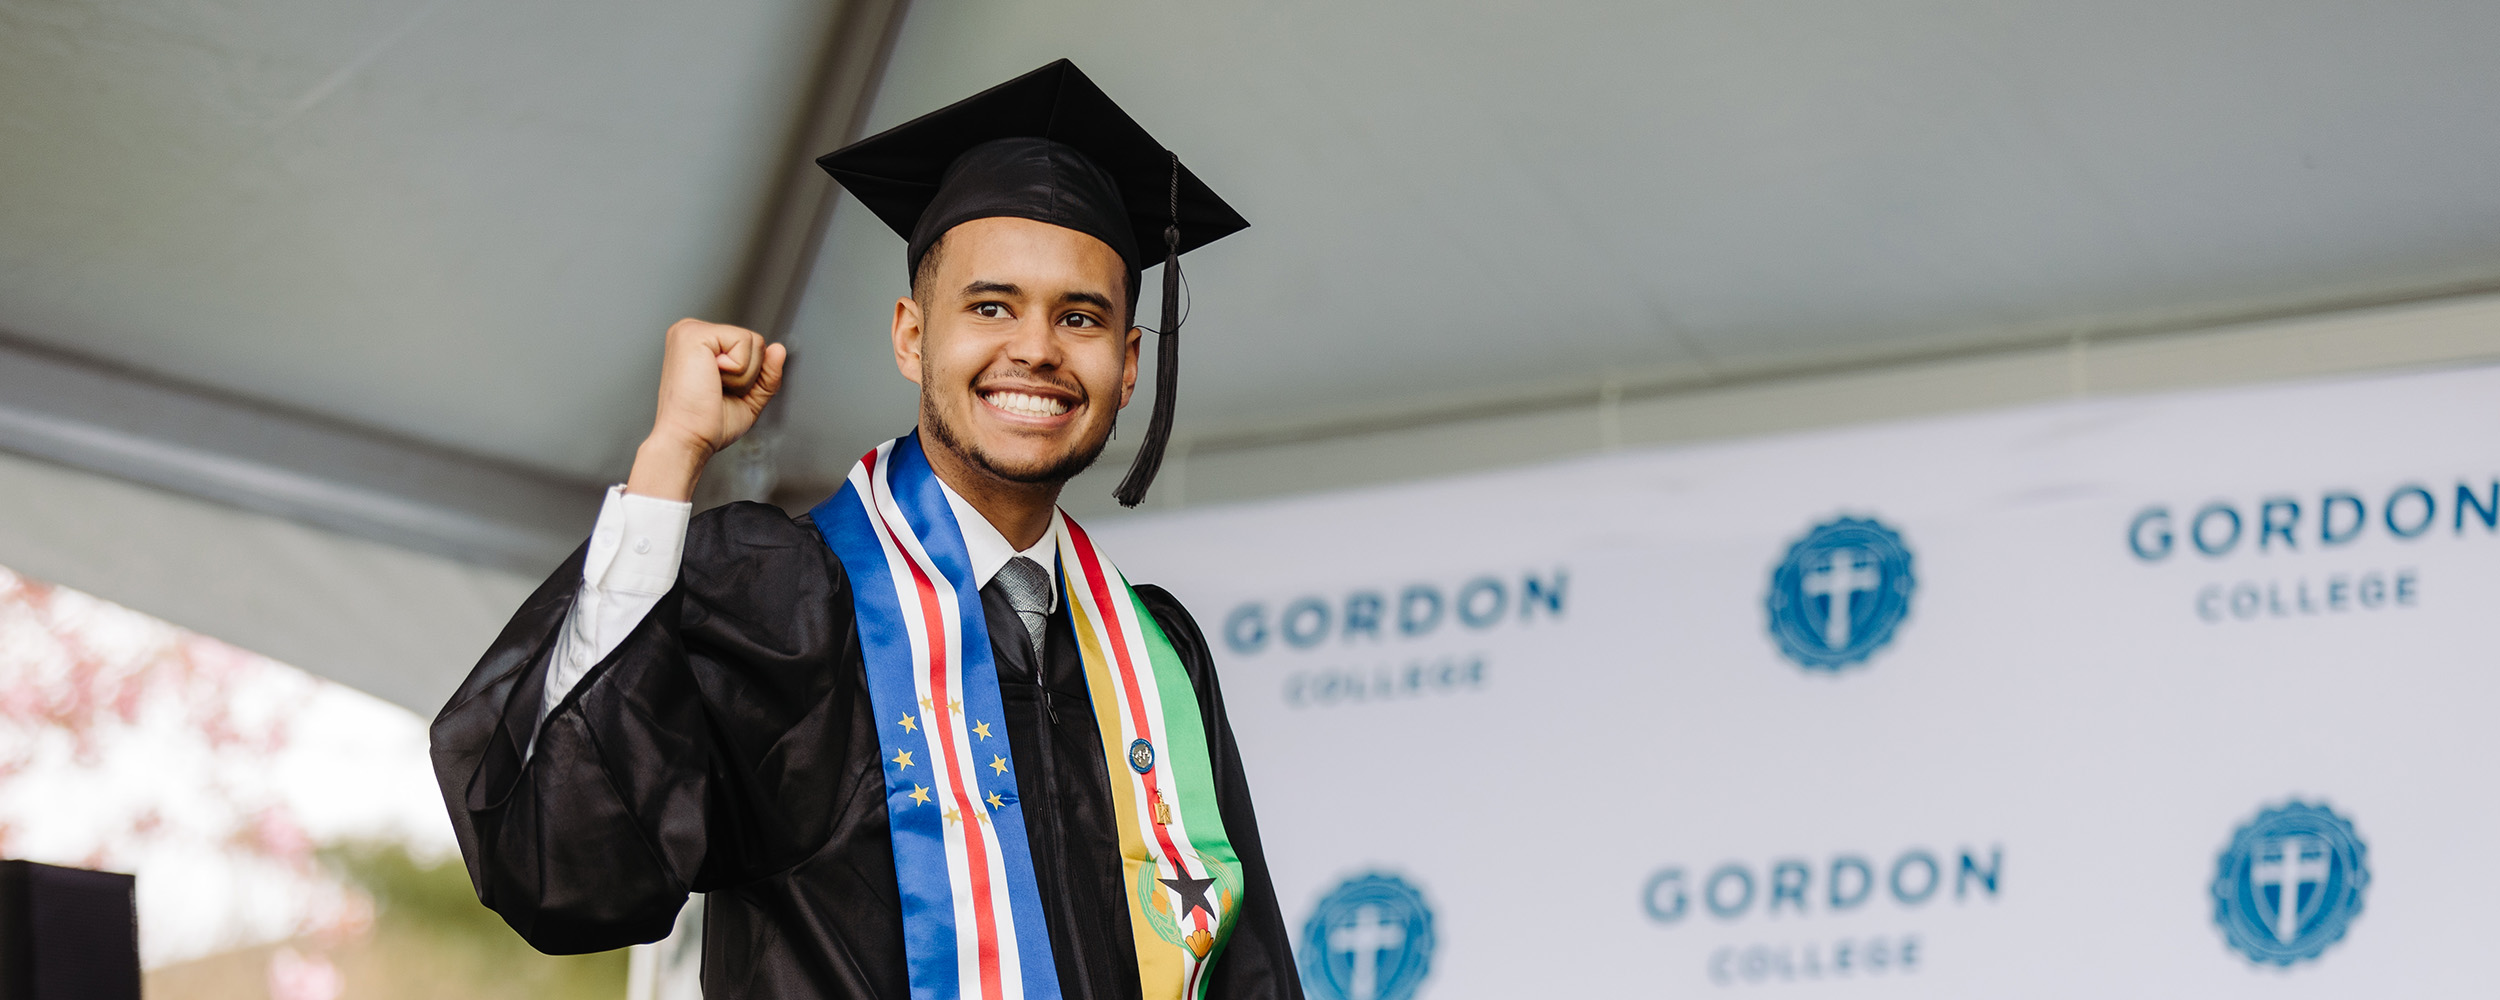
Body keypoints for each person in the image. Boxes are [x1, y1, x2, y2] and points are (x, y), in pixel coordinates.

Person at [429, 60, 1300, 1000]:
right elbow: (562, 868)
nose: (1037, 349)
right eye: (991, 306)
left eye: (1080, 317)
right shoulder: (776, 596)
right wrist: (672, 455)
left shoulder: (1155, 657)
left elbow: (1246, 975)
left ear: (1128, 365)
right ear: (911, 336)